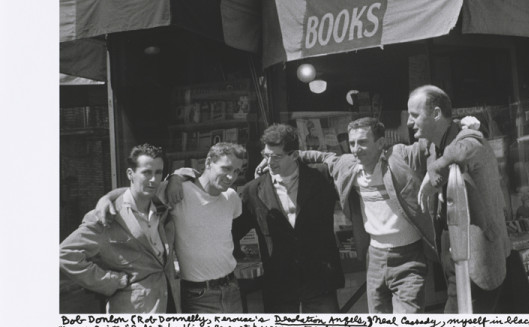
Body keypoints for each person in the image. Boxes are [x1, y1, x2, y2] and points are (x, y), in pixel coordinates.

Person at [171, 124, 344, 312]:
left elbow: (349, 161)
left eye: (276, 156)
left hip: (320, 283)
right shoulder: (253, 190)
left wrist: (305, 155)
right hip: (279, 287)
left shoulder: (322, 177)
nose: (269, 162)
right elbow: (230, 233)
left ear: (294, 155)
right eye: (266, 155)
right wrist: (177, 176)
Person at [287, 117, 438, 313]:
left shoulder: (399, 155)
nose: (356, 148)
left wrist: (465, 127)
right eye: (352, 143)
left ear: (381, 143)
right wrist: (284, 157)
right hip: (374, 258)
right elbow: (322, 157)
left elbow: (431, 144)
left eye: (363, 142)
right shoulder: (348, 166)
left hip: (409, 257)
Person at [94, 142, 247, 313]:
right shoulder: (179, 192)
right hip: (199, 295)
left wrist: (177, 175)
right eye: (226, 168)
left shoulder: (231, 197)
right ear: (209, 162)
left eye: (236, 171)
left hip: (232, 288)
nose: (231, 177)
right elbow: (136, 191)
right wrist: (106, 198)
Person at [409, 84, 512, 314]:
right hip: (454, 263)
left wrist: (435, 169)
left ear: (436, 113)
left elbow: (467, 147)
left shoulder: (470, 137)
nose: (409, 121)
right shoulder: (433, 146)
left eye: (415, 115)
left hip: (478, 264)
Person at [60, 144, 180, 313]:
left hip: (169, 305)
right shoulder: (108, 215)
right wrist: (112, 281)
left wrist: (175, 177)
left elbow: (190, 174)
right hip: (132, 309)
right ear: (130, 174)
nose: (153, 179)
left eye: (158, 172)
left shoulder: (161, 208)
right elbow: (65, 255)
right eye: (146, 172)